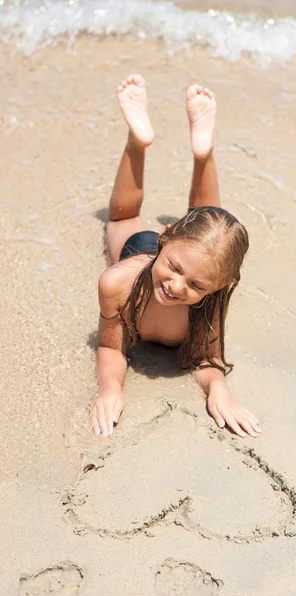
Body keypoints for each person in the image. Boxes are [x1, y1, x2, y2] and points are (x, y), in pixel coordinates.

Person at [90, 74, 261, 440]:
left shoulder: (210, 295)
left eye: (196, 284)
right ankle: (138, 141)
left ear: (219, 286)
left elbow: (205, 357)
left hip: (188, 255)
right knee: (122, 217)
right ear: (165, 240)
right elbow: (110, 345)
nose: (176, 286)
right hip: (137, 253)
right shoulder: (117, 282)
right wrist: (111, 388)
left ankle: (203, 152)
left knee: (211, 234)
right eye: (174, 269)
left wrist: (218, 387)